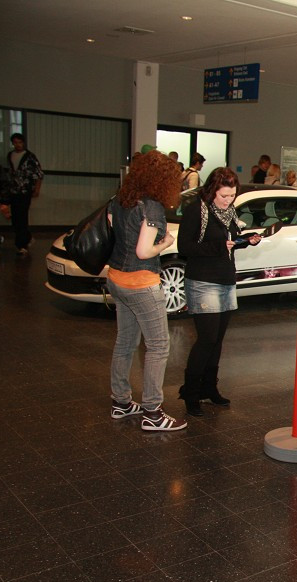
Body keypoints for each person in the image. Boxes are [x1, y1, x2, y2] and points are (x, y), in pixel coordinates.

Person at [107, 151, 186, 431]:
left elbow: (114, 232)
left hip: (116, 277)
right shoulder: (151, 207)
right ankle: (153, 413)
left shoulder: (120, 199)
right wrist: (165, 244)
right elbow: (143, 251)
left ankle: (121, 402)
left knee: (125, 342)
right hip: (141, 283)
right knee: (158, 346)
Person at [177, 167, 261, 416]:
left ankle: (209, 389)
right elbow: (185, 247)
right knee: (206, 340)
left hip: (225, 279)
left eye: (232, 195)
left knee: (218, 341)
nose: (228, 200)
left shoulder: (230, 212)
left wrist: (247, 240)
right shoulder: (196, 210)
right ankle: (190, 393)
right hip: (202, 281)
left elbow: (231, 242)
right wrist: (217, 246)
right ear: (213, 190)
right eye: (224, 196)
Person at [1, 133, 43, 256]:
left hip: (25, 191)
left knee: (22, 217)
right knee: (15, 218)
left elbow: (39, 174)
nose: (17, 144)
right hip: (13, 190)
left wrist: (36, 189)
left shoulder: (29, 157)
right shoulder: (10, 156)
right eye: (15, 142)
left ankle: (22, 244)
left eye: (19, 142)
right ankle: (26, 238)